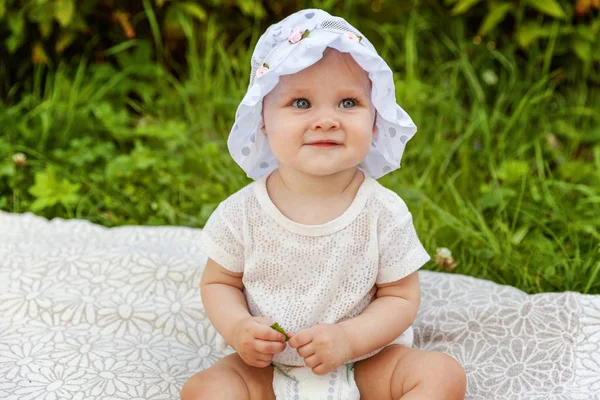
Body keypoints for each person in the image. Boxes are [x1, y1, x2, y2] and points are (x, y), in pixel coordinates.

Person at [181, 8, 466, 400]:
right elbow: (218, 283)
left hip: (367, 362)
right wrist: (238, 329)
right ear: (262, 118)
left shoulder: (383, 211)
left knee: (442, 374)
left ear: (376, 119)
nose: (327, 120)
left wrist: (349, 339)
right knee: (206, 389)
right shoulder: (241, 212)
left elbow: (400, 297)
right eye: (301, 103)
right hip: (269, 367)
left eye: (348, 103)